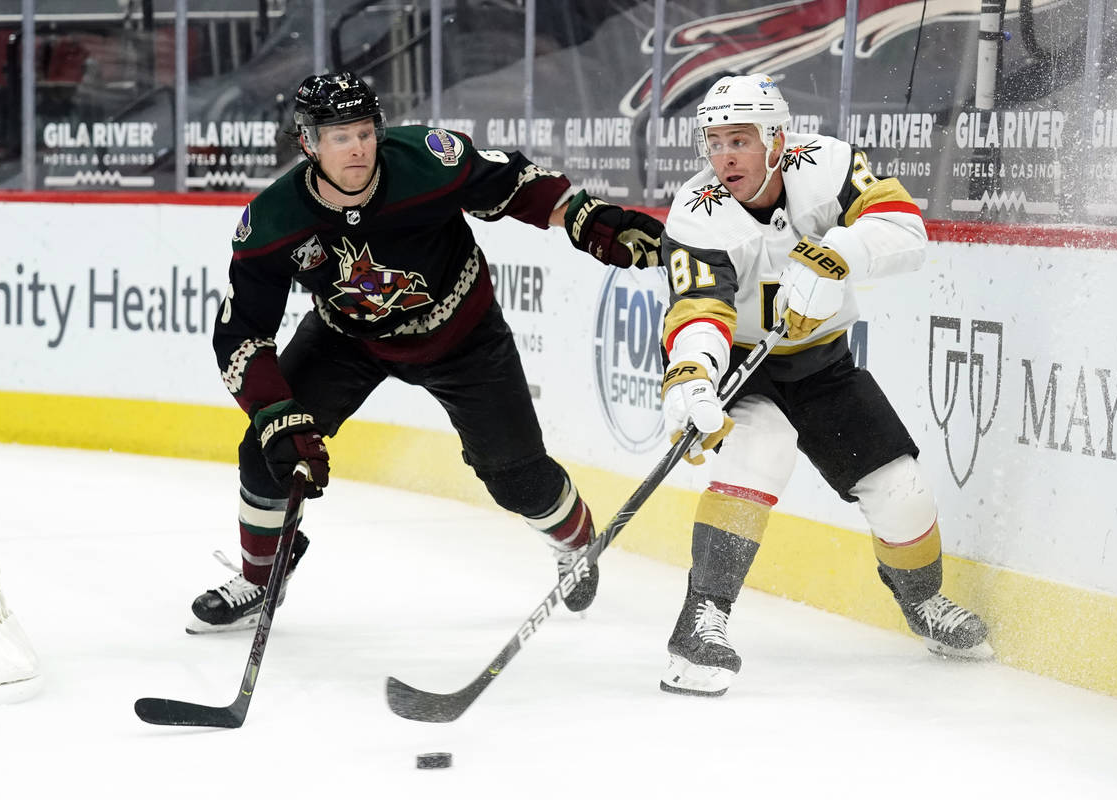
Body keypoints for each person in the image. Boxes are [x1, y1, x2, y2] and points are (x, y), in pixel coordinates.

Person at [187, 70, 663, 633]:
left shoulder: (428, 160)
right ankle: (261, 580)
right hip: (348, 340)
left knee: (516, 478)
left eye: (365, 131)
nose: (358, 147)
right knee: (264, 452)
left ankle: (575, 542)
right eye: (339, 137)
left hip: (464, 335)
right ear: (308, 143)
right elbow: (242, 333)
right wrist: (274, 413)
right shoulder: (273, 222)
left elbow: (514, 185)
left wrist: (587, 220)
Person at [656, 73, 992, 696]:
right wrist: (694, 375)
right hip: (741, 366)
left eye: (739, 139)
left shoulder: (830, 162)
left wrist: (837, 254)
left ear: (777, 137)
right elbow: (697, 308)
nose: (723, 156)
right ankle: (701, 624)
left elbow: (904, 229)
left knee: (902, 492)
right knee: (761, 454)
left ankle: (921, 601)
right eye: (713, 141)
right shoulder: (696, 210)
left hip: (823, 363)